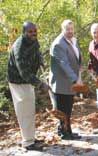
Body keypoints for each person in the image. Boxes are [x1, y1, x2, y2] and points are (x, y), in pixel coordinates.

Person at [7, 22, 48, 151]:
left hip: (28, 81)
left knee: (29, 110)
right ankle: (28, 143)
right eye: (30, 31)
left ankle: (30, 138)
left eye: (35, 31)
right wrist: (40, 84)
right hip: (18, 82)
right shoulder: (19, 47)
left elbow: (38, 51)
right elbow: (23, 72)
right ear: (24, 32)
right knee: (24, 111)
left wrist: (41, 61)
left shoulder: (34, 41)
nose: (33, 33)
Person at [49, 19, 82, 140]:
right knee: (63, 110)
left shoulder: (73, 41)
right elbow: (64, 64)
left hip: (70, 82)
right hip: (61, 83)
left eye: (71, 29)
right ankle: (64, 133)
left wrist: (79, 74)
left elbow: (77, 59)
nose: (70, 31)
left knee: (68, 108)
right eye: (67, 29)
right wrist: (75, 80)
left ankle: (67, 130)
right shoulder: (58, 44)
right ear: (62, 29)